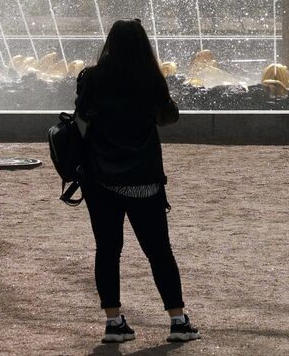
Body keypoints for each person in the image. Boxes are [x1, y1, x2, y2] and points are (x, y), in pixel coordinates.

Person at [75, 19, 200, 344]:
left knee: (107, 250)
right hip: (143, 179)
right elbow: (168, 116)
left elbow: (82, 116)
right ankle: (177, 321)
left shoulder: (92, 78)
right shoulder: (149, 80)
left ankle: (114, 322)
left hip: (100, 179)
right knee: (159, 251)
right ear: (144, 45)